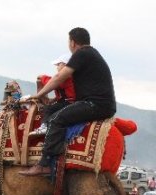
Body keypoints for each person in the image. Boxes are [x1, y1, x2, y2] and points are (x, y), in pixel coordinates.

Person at [19, 27, 116, 176]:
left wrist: (39, 95)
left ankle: (45, 163)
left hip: (95, 104)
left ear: (72, 42)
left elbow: (59, 77)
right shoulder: (92, 54)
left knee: (56, 120)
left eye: (68, 41)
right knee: (57, 113)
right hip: (102, 104)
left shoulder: (81, 53)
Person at [29, 54, 76, 136]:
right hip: (67, 101)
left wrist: (42, 77)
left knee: (49, 109)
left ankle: (44, 126)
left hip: (69, 103)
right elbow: (65, 93)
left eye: (58, 64)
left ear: (65, 65)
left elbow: (53, 83)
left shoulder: (66, 77)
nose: (57, 67)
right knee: (54, 106)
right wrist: (54, 99)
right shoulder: (71, 77)